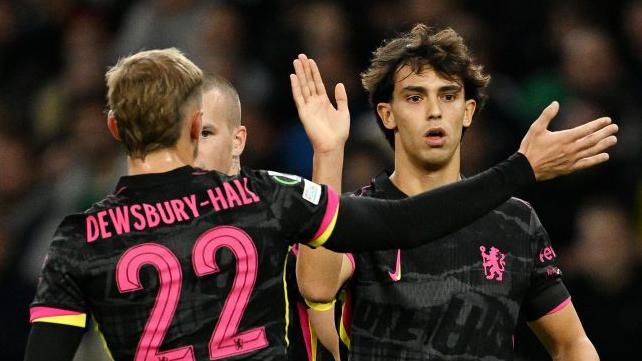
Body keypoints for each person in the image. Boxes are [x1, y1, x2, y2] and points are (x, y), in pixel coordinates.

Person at [23, 47, 615, 361]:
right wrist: (522, 168)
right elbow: (401, 222)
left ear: (110, 126)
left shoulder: (78, 236)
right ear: (195, 123)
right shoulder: (261, 195)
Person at [295, 25, 613, 360]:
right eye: (415, 97)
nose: (435, 111)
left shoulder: (515, 220)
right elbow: (317, 287)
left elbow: (571, 343)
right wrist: (329, 153)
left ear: (468, 111)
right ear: (387, 115)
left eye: (448, 96)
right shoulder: (362, 214)